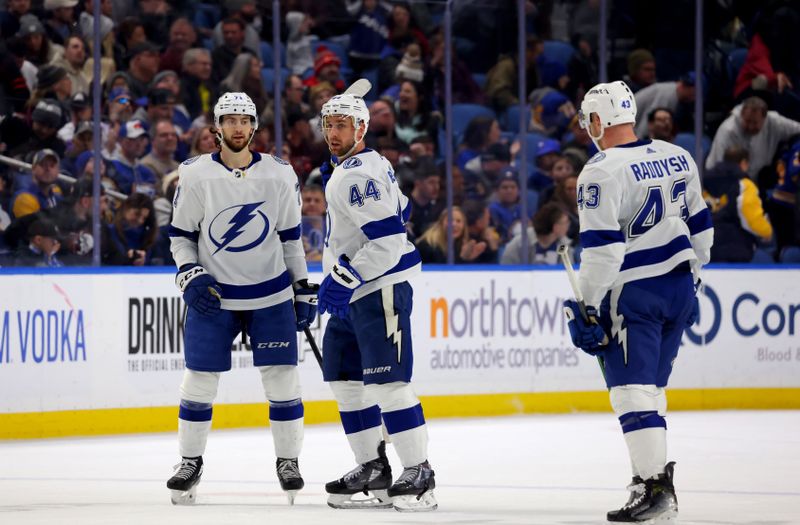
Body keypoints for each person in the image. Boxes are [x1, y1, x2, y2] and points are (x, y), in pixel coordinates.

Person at [562, 80, 713, 523]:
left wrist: (586, 306)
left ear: (597, 120)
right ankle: (649, 480)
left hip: (636, 292)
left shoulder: (600, 169)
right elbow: (701, 228)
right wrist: (694, 280)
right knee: (652, 390)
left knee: (630, 391)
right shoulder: (677, 154)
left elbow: (604, 252)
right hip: (680, 285)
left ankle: (654, 488)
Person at [165, 92, 317, 505]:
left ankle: (288, 461)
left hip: (270, 294)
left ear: (255, 128)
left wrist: (302, 288)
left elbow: (290, 239)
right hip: (214, 295)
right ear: (216, 127)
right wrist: (190, 275)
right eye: (228, 120)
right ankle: (189, 461)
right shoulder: (194, 174)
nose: (237, 128)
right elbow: (181, 238)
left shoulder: (280, 174)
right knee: (198, 380)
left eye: (244, 120)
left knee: (282, 379)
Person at [316, 81, 437, 511]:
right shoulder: (368, 164)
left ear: (361, 128)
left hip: (375, 291)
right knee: (346, 384)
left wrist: (344, 277)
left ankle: (419, 471)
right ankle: (372, 467)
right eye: (329, 125)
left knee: (389, 384)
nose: (333, 133)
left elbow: (388, 241)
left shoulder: (358, 173)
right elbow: (403, 208)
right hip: (353, 294)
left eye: (343, 126)